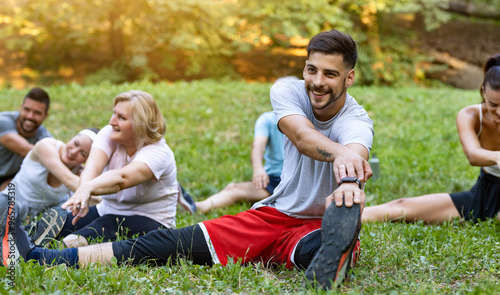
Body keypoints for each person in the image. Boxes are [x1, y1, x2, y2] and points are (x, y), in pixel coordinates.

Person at [2, 29, 374, 290]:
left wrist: (348, 176)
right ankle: (41, 257)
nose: (318, 82)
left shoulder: (356, 120)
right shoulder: (288, 90)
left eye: (331, 74)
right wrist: (341, 155)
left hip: (316, 222)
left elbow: (356, 149)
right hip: (271, 215)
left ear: (350, 78)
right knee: (169, 244)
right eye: (312, 70)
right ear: (304, 68)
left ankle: (334, 248)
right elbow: (302, 137)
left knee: (323, 237)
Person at [28, 90, 181, 248]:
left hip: (154, 222)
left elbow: (122, 179)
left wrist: (87, 187)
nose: (112, 121)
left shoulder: (158, 152)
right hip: (107, 209)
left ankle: (57, 252)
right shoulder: (109, 133)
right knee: (63, 221)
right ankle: (15, 240)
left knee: (107, 224)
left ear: (140, 124)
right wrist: (83, 193)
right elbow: (92, 167)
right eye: (114, 113)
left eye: (121, 117)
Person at [362, 54, 500, 224]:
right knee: (400, 207)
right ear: (483, 93)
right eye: (493, 105)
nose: (499, 112)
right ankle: (333, 218)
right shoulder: (470, 115)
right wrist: (496, 157)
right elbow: (473, 155)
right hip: (484, 193)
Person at [194, 110, 284, 213]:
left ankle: (196, 207)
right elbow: (258, 146)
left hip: (290, 181)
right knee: (233, 188)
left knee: (234, 190)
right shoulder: (267, 119)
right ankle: (195, 207)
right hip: (273, 180)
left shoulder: (304, 118)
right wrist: (258, 168)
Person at [0, 128, 97, 223]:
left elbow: (95, 200)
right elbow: (68, 180)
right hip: (9, 202)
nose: (73, 152)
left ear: (87, 160)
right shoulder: (46, 146)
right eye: (75, 143)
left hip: (37, 219)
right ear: (72, 137)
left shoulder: (80, 173)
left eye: (82, 154)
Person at [0, 88, 51, 191]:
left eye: (37, 113)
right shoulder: (3, 121)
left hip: (11, 178)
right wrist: (50, 156)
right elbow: (22, 148)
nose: (30, 116)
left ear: (45, 115)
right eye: (27, 110)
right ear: (21, 107)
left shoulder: (45, 138)